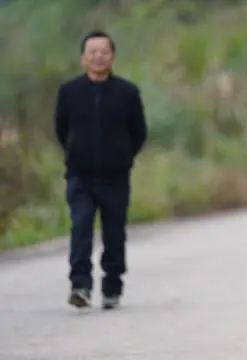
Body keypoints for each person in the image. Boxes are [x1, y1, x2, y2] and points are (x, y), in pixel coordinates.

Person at [54, 30, 147, 310]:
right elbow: (61, 129)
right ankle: (80, 285)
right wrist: (75, 154)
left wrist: (121, 158)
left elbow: (139, 133)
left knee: (114, 233)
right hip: (80, 176)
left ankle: (112, 287)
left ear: (112, 57)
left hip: (115, 177)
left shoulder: (127, 92)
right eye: (92, 52)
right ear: (83, 58)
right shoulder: (69, 92)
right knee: (80, 228)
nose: (98, 57)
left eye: (104, 52)